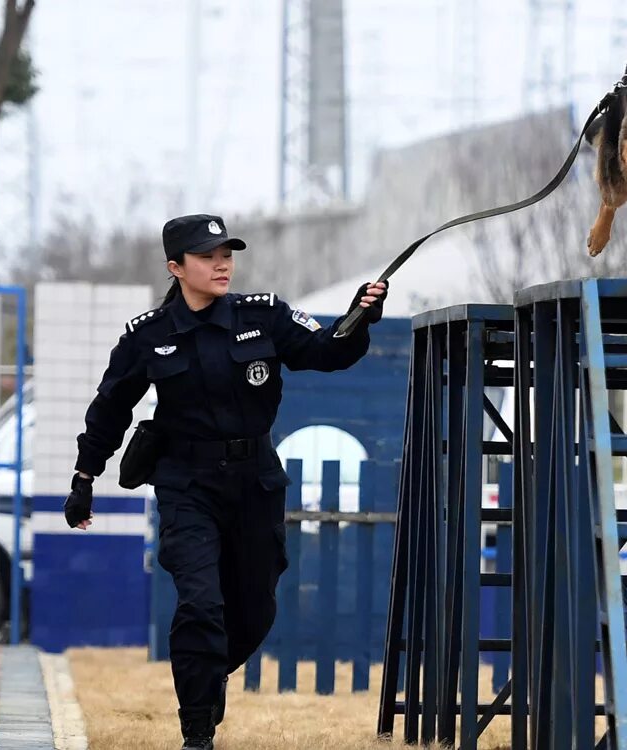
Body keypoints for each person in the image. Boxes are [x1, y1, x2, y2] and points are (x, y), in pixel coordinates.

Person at [63, 214, 387, 749]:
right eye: (208, 256)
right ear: (176, 267)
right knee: (199, 604)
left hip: (254, 481)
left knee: (255, 610)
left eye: (227, 254)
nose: (222, 264)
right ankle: (197, 731)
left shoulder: (263, 315)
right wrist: (84, 476)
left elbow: (327, 352)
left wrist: (360, 315)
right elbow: (109, 409)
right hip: (186, 485)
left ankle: (208, 675)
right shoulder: (148, 336)